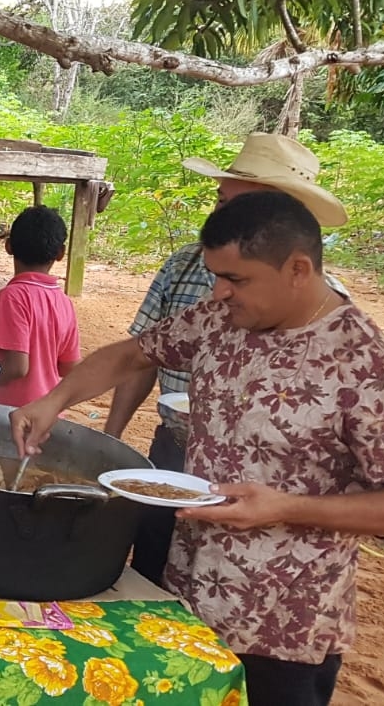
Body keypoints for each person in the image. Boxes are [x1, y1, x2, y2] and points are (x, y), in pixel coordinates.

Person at [11, 192, 384, 706]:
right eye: (216, 275)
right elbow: (132, 354)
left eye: (236, 279)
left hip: (282, 626)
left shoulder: (365, 364)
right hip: (187, 593)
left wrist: (286, 507)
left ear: (298, 269)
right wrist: (54, 399)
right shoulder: (219, 319)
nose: (219, 292)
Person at [105, 132, 350, 584]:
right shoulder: (181, 266)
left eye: (239, 207)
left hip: (266, 485)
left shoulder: (327, 316)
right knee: (153, 573)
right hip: (174, 452)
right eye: (221, 203)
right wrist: (113, 440)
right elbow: (139, 356)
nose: (220, 216)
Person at [0, 206, 78, 407]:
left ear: (8, 247)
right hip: (47, 413)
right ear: (61, 253)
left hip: (12, 415)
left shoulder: (12, 296)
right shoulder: (64, 301)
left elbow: (17, 368)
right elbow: (69, 366)